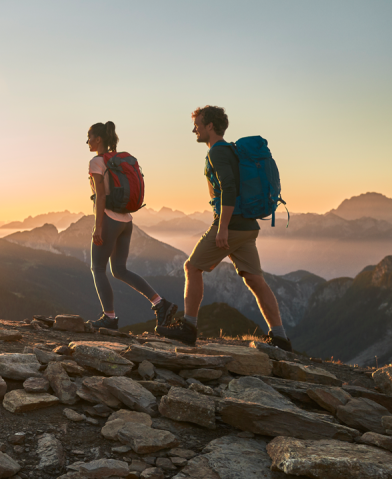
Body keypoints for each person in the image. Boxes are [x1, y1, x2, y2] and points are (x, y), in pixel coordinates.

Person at [157, 106, 292, 350]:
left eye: (197, 124)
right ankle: (280, 337)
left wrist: (222, 228)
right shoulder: (231, 150)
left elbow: (229, 188)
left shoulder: (217, 153)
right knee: (255, 280)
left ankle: (188, 327)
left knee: (192, 267)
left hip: (232, 226)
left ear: (210, 126)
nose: (194, 129)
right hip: (248, 226)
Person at [86, 121, 177, 331]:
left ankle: (109, 317)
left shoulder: (97, 162)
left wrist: (97, 227)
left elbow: (100, 196)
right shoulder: (117, 160)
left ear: (98, 139)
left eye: (89, 137)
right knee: (119, 270)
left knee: (98, 268)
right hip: (126, 220)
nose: (87, 141)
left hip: (109, 219)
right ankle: (160, 303)